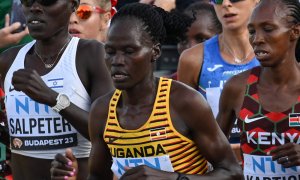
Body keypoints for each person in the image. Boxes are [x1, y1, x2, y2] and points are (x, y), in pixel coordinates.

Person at [50, 3, 242, 180]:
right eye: (110, 51)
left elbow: (232, 173)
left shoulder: (184, 102)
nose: (117, 61)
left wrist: (171, 178)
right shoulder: (102, 111)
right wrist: (73, 175)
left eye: (129, 51)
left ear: (155, 52)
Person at [0, 0, 113, 179]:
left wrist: (53, 99)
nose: (35, 7)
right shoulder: (8, 60)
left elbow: (111, 133)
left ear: (73, 5)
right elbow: (21, 142)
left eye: (47, 1)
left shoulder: (93, 54)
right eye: (28, 1)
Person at [218, 0, 300, 179]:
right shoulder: (237, 87)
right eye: (252, 31)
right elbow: (213, 150)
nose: (257, 39)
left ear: (295, 31)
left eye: (268, 29)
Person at [177, 0, 260, 162]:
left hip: (267, 163)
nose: (226, 4)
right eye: (218, 0)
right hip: (217, 166)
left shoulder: (275, 52)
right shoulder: (192, 59)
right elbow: (185, 127)